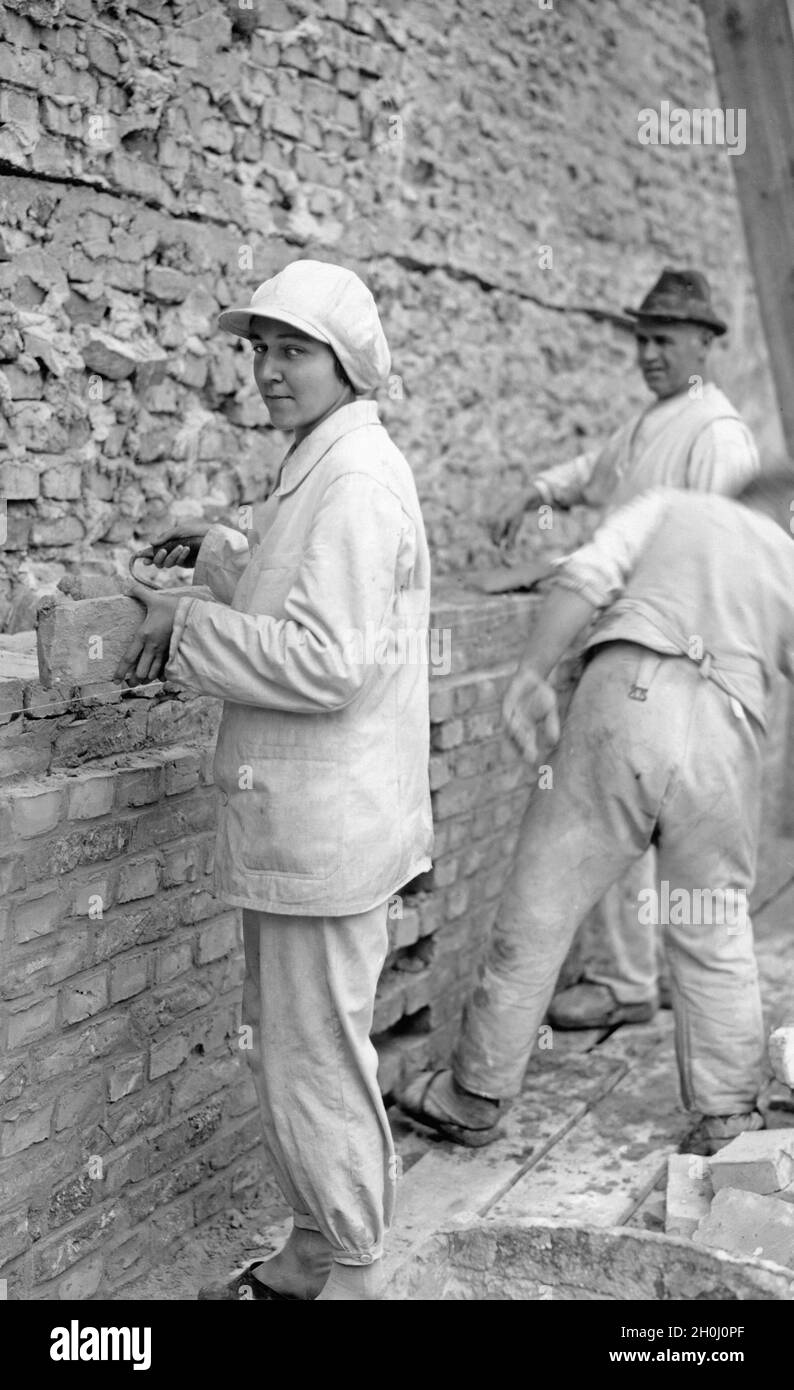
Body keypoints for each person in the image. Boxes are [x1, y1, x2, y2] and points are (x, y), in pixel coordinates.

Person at [116, 259, 433, 1301]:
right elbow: (304, 586)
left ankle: (353, 1271)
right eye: (258, 348)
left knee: (313, 1067)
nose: (267, 369)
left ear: (344, 362)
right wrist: (221, 553)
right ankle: (313, 1249)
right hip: (310, 822)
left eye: (292, 350)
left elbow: (328, 657)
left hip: (326, 830)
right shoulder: (324, 459)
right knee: (297, 1055)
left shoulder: (351, 477)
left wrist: (187, 624)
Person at [398, 470, 794, 1157]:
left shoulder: (673, 507)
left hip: (627, 702)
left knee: (540, 905)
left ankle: (475, 1095)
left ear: (735, 499)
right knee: (712, 922)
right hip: (726, 741)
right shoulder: (786, 561)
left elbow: (586, 575)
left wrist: (531, 671)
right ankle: (726, 1114)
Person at [492, 268, 759, 1032]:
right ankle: (636, 976)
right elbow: (593, 475)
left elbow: (726, 554)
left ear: (706, 344)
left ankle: (637, 982)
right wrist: (537, 492)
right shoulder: (654, 421)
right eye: (642, 338)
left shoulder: (716, 434)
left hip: (680, 658)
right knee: (631, 826)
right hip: (637, 653)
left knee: (643, 825)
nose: (648, 353)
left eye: (665, 340)